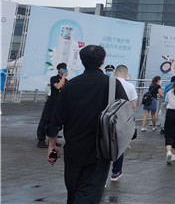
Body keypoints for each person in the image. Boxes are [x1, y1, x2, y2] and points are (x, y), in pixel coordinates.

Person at [47, 45, 127, 204]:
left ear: (82, 61)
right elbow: (125, 113)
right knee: (90, 194)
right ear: (103, 61)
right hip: (100, 150)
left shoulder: (70, 85)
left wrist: (52, 146)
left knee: (73, 192)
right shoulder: (112, 84)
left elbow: (56, 118)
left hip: (73, 149)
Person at [110, 65, 137, 182]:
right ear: (126, 74)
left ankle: (102, 176)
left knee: (103, 143)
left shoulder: (107, 83)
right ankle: (116, 172)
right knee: (119, 144)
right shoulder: (130, 86)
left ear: (115, 73)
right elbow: (133, 105)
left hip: (106, 117)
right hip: (122, 119)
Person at [37, 62, 67, 148]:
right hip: (51, 104)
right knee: (45, 121)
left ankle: (53, 139)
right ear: (58, 70)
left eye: (65, 68)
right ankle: (41, 140)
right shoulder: (54, 78)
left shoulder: (67, 81)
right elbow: (58, 87)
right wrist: (63, 77)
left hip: (60, 105)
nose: (64, 70)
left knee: (56, 123)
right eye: (62, 68)